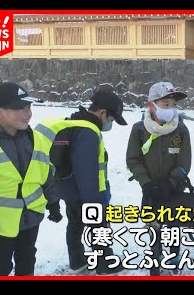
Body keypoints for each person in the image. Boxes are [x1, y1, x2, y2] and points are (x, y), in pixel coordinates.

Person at [35, 89, 128, 275]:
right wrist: (95, 203)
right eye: (111, 119)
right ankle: (105, 264)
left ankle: (77, 261)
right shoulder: (88, 132)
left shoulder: (73, 123)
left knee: (75, 224)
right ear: (102, 113)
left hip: (68, 190)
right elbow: (87, 170)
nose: (110, 124)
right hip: (86, 193)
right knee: (98, 228)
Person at [0, 82, 61, 276]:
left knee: (27, 261)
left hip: (31, 220)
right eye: (19, 108)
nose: (27, 113)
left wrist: (53, 201)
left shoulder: (37, 138)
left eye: (29, 107)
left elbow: (46, 173)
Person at [126, 81, 191, 276]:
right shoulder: (139, 129)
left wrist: (171, 182)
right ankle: (155, 258)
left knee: (173, 227)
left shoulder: (181, 130)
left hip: (174, 190)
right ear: (151, 105)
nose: (170, 108)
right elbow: (133, 159)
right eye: (165, 104)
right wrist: (146, 182)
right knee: (153, 226)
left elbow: (184, 161)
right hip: (150, 190)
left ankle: (174, 258)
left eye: (172, 104)